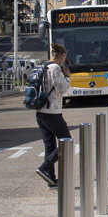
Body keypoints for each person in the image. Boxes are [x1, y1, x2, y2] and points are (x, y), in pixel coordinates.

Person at [35, 43, 71, 188]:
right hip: (52, 112)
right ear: (61, 56)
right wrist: (67, 77)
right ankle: (44, 167)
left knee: (50, 146)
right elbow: (62, 89)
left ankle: (50, 179)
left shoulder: (43, 66)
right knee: (66, 141)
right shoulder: (55, 68)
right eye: (64, 58)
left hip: (40, 112)